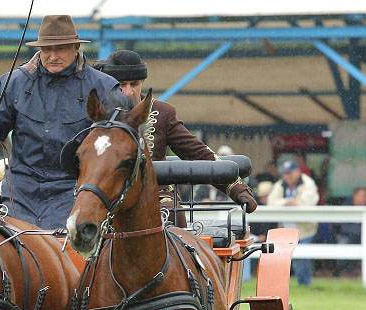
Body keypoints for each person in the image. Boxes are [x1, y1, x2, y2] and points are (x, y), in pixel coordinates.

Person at [0, 14, 123, 229]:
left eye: (60, 49)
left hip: (76, 192)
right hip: (20, 195)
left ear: (76, 47)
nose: (52, 56)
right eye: (47, 50)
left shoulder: (104, 88)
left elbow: (121, 143)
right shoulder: (15, 82)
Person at [92, 50, 257, 213]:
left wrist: (237, 188)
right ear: (110, 83)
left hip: (157, 196)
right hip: (108, 196)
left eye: (133, 84)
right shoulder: (95, 113)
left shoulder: (162, 112)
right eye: (121, 84)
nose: (128, 92)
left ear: (143, 81)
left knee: (171, 213)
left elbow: (196, 152)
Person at [268, 160, 319, 286]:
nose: (288, 176)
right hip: (286, 229)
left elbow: (308, 203)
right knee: (287, 258)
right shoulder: (281, 184)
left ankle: (305, 283)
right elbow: (271, 201)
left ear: (297, 172)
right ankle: (291, 284)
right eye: (286, 173)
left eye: (290, 173)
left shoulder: (308, 183)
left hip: (305, 229)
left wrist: (292, 203)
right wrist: (287, 202)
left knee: (301, 258)